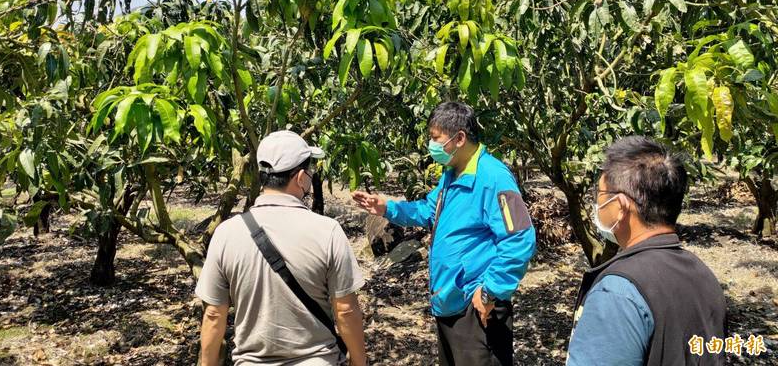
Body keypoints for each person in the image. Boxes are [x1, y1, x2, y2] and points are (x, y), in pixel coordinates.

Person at [352, 101, 536, 366]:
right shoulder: (451, 174)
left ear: (459, 138)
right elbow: (430, 211)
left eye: (436, 139)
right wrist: (387, 207)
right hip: (449, 303)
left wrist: (490, 291)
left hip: (477, 309)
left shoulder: (493, 177)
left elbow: (519, 238)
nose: (432, 146)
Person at [195, 129, 367, 366]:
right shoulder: (327, 231)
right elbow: (346, 311)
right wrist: (360, 362)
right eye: (310, 170)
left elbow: (214, 315)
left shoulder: (226, 233)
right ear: (300, 178)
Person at [567, 136, 727, 366]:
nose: (596, 205)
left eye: (600, 197)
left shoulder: (617, 294)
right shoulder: (704, 276)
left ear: (621, 207)